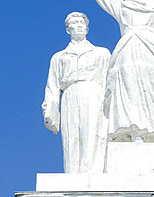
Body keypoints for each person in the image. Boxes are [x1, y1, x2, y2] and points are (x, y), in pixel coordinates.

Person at [67, 0, 154, 142]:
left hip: (152, 52)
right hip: (128, 51)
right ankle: (134, 132)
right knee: (130, 92)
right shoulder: (122, 7)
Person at [42, 12, 110, 173]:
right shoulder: (59, 57)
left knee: (92, 132)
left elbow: (111, 82)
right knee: (71, 135)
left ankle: (93, 172)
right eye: (74, 22)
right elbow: (52, 85)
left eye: (81, 22)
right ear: (67, 29)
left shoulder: (101, 53)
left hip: (94, 93)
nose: (79, 25)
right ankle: (72, 173)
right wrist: (50, 111)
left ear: (87, 28)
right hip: (70, 94)